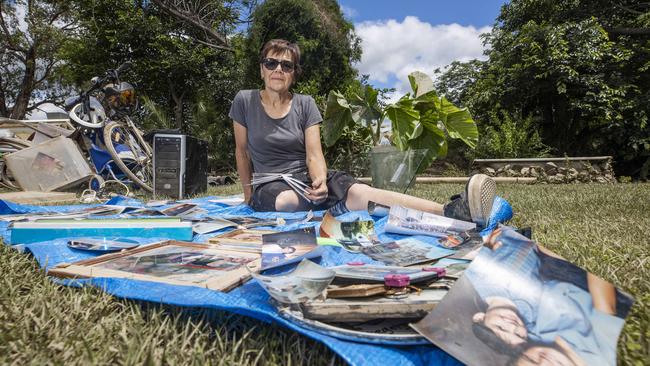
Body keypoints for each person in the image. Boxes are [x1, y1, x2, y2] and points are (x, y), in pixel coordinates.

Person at [229, 39, 496, 225]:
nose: (278, 69)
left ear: (293, 74)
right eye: (271, 63)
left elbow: (314, 154)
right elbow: (242, 152)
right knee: (285, 202)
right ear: (261, 68)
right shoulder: (244, 100)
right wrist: (248, 196)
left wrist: (320, 181)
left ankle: (451, 211)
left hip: (305, 178)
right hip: (270, 182)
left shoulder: (305, 104)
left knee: (359, 191)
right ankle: (331, 204)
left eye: (286, 66)